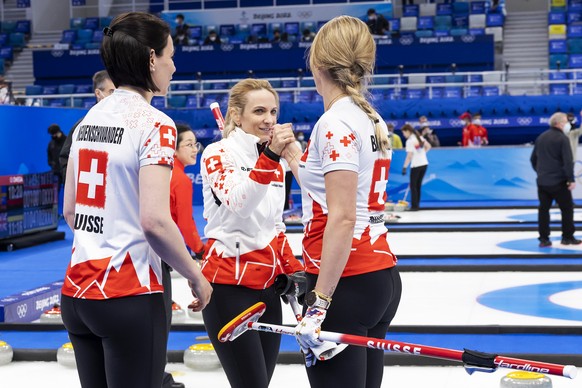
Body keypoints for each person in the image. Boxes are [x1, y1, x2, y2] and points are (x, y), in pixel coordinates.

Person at [60, 12, 212, 388]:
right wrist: (196, 275)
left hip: (77, 293)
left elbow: (69, 209)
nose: (174, 66)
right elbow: (155, 222)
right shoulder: (156, 123)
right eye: (170, 56)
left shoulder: (89, 118)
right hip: (128, 293)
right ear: (150, 59)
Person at [291, 15, 401, 388]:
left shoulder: (334, 124)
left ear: (317, 63)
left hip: (344, 284)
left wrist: (319, 301)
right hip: (379, 277)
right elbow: (330, 189)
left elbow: (341, 217)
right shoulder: (372, 118)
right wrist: (294, 156)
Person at [199, 78, 305, 388]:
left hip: (269, 288)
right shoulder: (216, 153)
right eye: (259, 111)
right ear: (236, 115)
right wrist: (271, 157)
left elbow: (274, 225)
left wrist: (293, 270)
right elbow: (239, 203)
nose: (269, 120)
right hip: (229, 287)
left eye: (273, 111)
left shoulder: (273, 159)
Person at [530, 112, 581, 247]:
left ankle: (544, 239)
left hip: (542, 181)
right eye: (566, 121)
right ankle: (567, 237)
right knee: (567, 209)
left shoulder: (541, 137)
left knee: (543, 210)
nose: (568, 124)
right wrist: (571, 179)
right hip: (559, 181)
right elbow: (568, 161)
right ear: (559, 123)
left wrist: (541, 172)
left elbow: (533, 159)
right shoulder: (562, 138)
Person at [59, 70, 115, 183]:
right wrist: (78, 186)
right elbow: (65, 159)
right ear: (98, 93)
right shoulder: (82, 125)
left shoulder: (125, 123)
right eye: (111, 91)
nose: (115, 97)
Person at [171, 123, 205, 257]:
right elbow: (185, 223)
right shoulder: (180, 179)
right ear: (173, 149)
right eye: (189, 145)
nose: (195, 150)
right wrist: (200, 250)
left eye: (196, 145)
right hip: (157, 249)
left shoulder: (161, 171)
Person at [401, 124, 431, 211]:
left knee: (413, 186)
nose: (404, 135)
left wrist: (404, 167)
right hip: (424, 164)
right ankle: (416, 205)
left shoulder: (410, 141)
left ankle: (414, 206)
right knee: (418, 186)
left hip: (416, 165)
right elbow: (428, 146)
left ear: (407, 131)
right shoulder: (419, 137)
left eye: (403, 133)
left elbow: (409, 156)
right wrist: (422, 154)